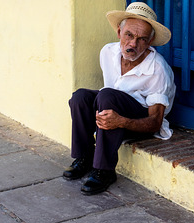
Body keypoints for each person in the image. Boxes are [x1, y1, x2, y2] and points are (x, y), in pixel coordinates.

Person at [63, 2, 176, 195]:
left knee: (107, 95)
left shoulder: (158, 69)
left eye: (141, 39)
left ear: (149, 42)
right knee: (80, 97)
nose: (133, 44)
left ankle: (104, 170)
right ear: (119, 33)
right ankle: (85, 157)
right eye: (129, 35)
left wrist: (122, 121)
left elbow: (155, 123)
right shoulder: (108, 52)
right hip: (111, 107)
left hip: (140, 121)